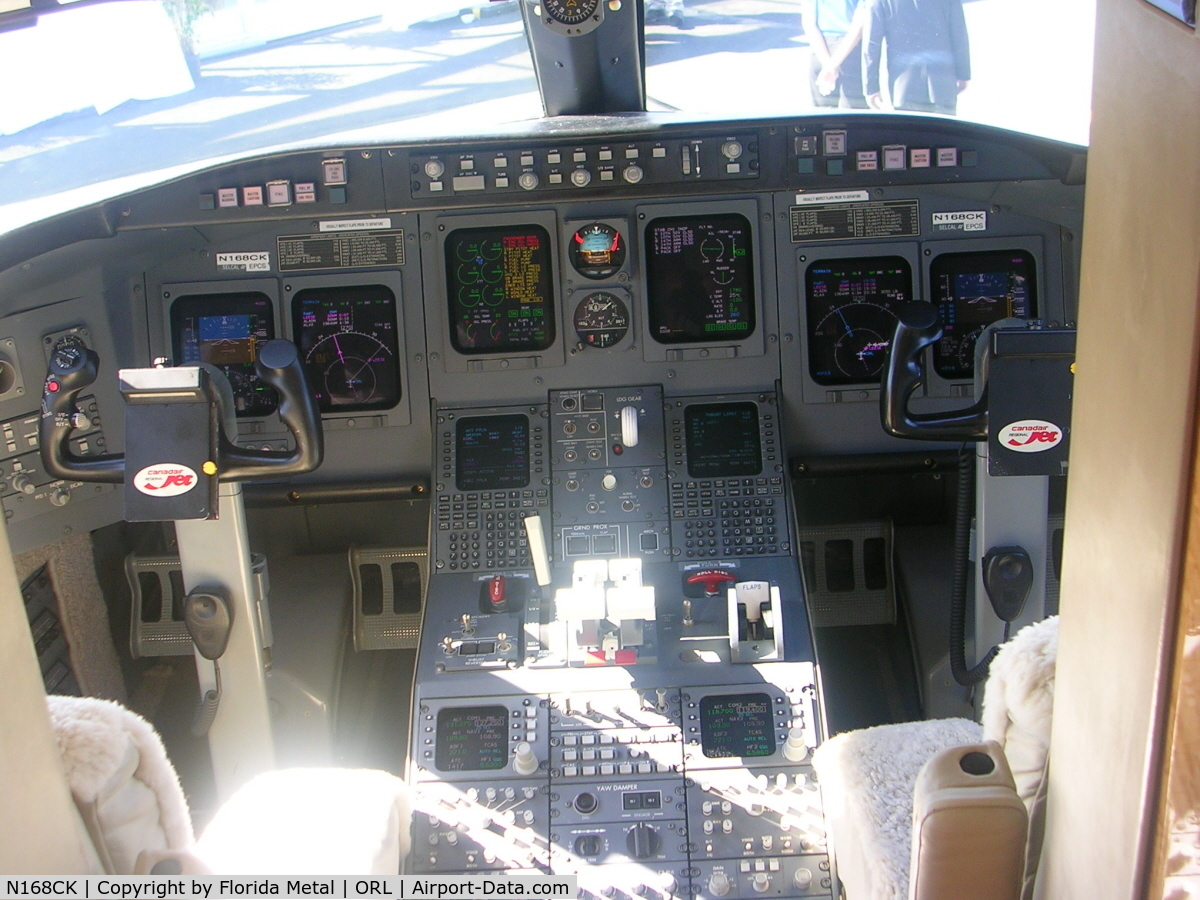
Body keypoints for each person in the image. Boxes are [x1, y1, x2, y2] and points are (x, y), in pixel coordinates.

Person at [862, 0, 970, 115]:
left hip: (904, 88)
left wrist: (871, 87)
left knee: (911, 131)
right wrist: (963, 74)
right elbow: (959, 35)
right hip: (943, 84)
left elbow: (871, 45)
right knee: (944, 131)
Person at [800, 0, 869, 109]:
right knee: (854, 115)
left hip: (821, 50)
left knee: (821, 116)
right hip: (851, 50)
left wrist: (828, 66)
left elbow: (809, 23)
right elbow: (859, 26)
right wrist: (832, 66)